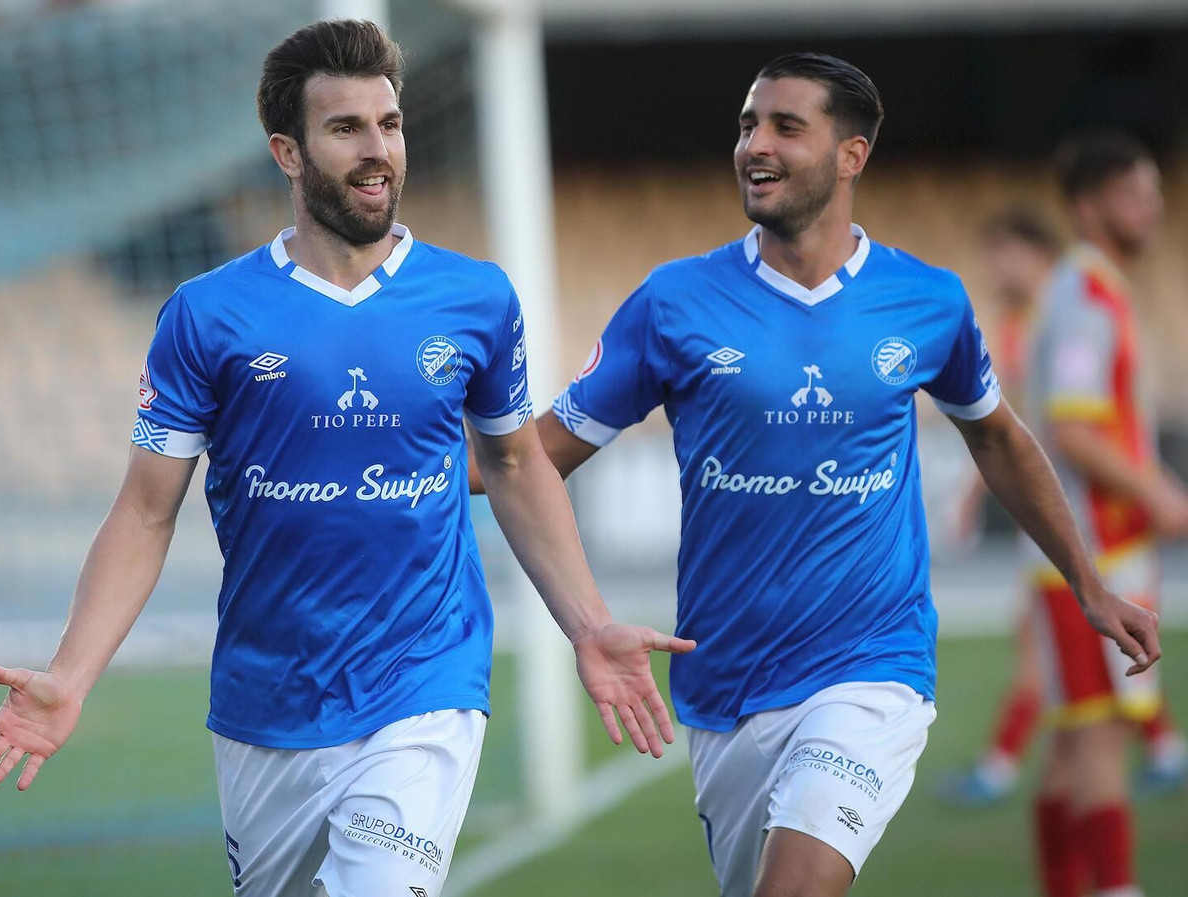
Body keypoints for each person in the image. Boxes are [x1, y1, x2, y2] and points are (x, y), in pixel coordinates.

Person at [0, 19, 692, 897]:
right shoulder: (206, 315)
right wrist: (71, 674)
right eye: (346, 128)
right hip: (264, 703)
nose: (377, 149)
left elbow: (513, 465)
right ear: (288, 151)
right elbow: (147, 508)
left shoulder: (476, 298)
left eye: (389, 124)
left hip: (424, 681)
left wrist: (588, 622)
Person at [474, 53, 1160, 897]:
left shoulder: (928, 300)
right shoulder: (673, 302)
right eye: (746, 125)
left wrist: (1086, 579)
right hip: (725, 683)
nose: (754, 144)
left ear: (851, 155)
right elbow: (526, 456)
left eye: (784, 126)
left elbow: (1002, 441)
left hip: (872, 668)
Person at [938, 207, 1185, 809]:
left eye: (1004, 253)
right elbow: (1007, 432)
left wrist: (1152, 489)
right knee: (1065, 671)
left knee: (1083, 691)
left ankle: (1018, 771)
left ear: (1035, 253)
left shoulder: (1062, 318)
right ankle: (1158, 748)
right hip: (1062, 526)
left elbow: (1059, 430)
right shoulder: (1027, 323)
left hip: (1088, 528)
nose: (995, 268)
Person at [1023, 130, 1187, 897]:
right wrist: (1157, 490)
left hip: (1092, 552)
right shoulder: (1085, 294)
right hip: (1089, 555)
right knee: (1096, 734)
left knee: (1073, 741)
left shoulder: (1094, 288)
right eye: (1133, 196)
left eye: (1154, 195)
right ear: (1089, 208)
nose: (1150, 210)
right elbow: (1076, 427)